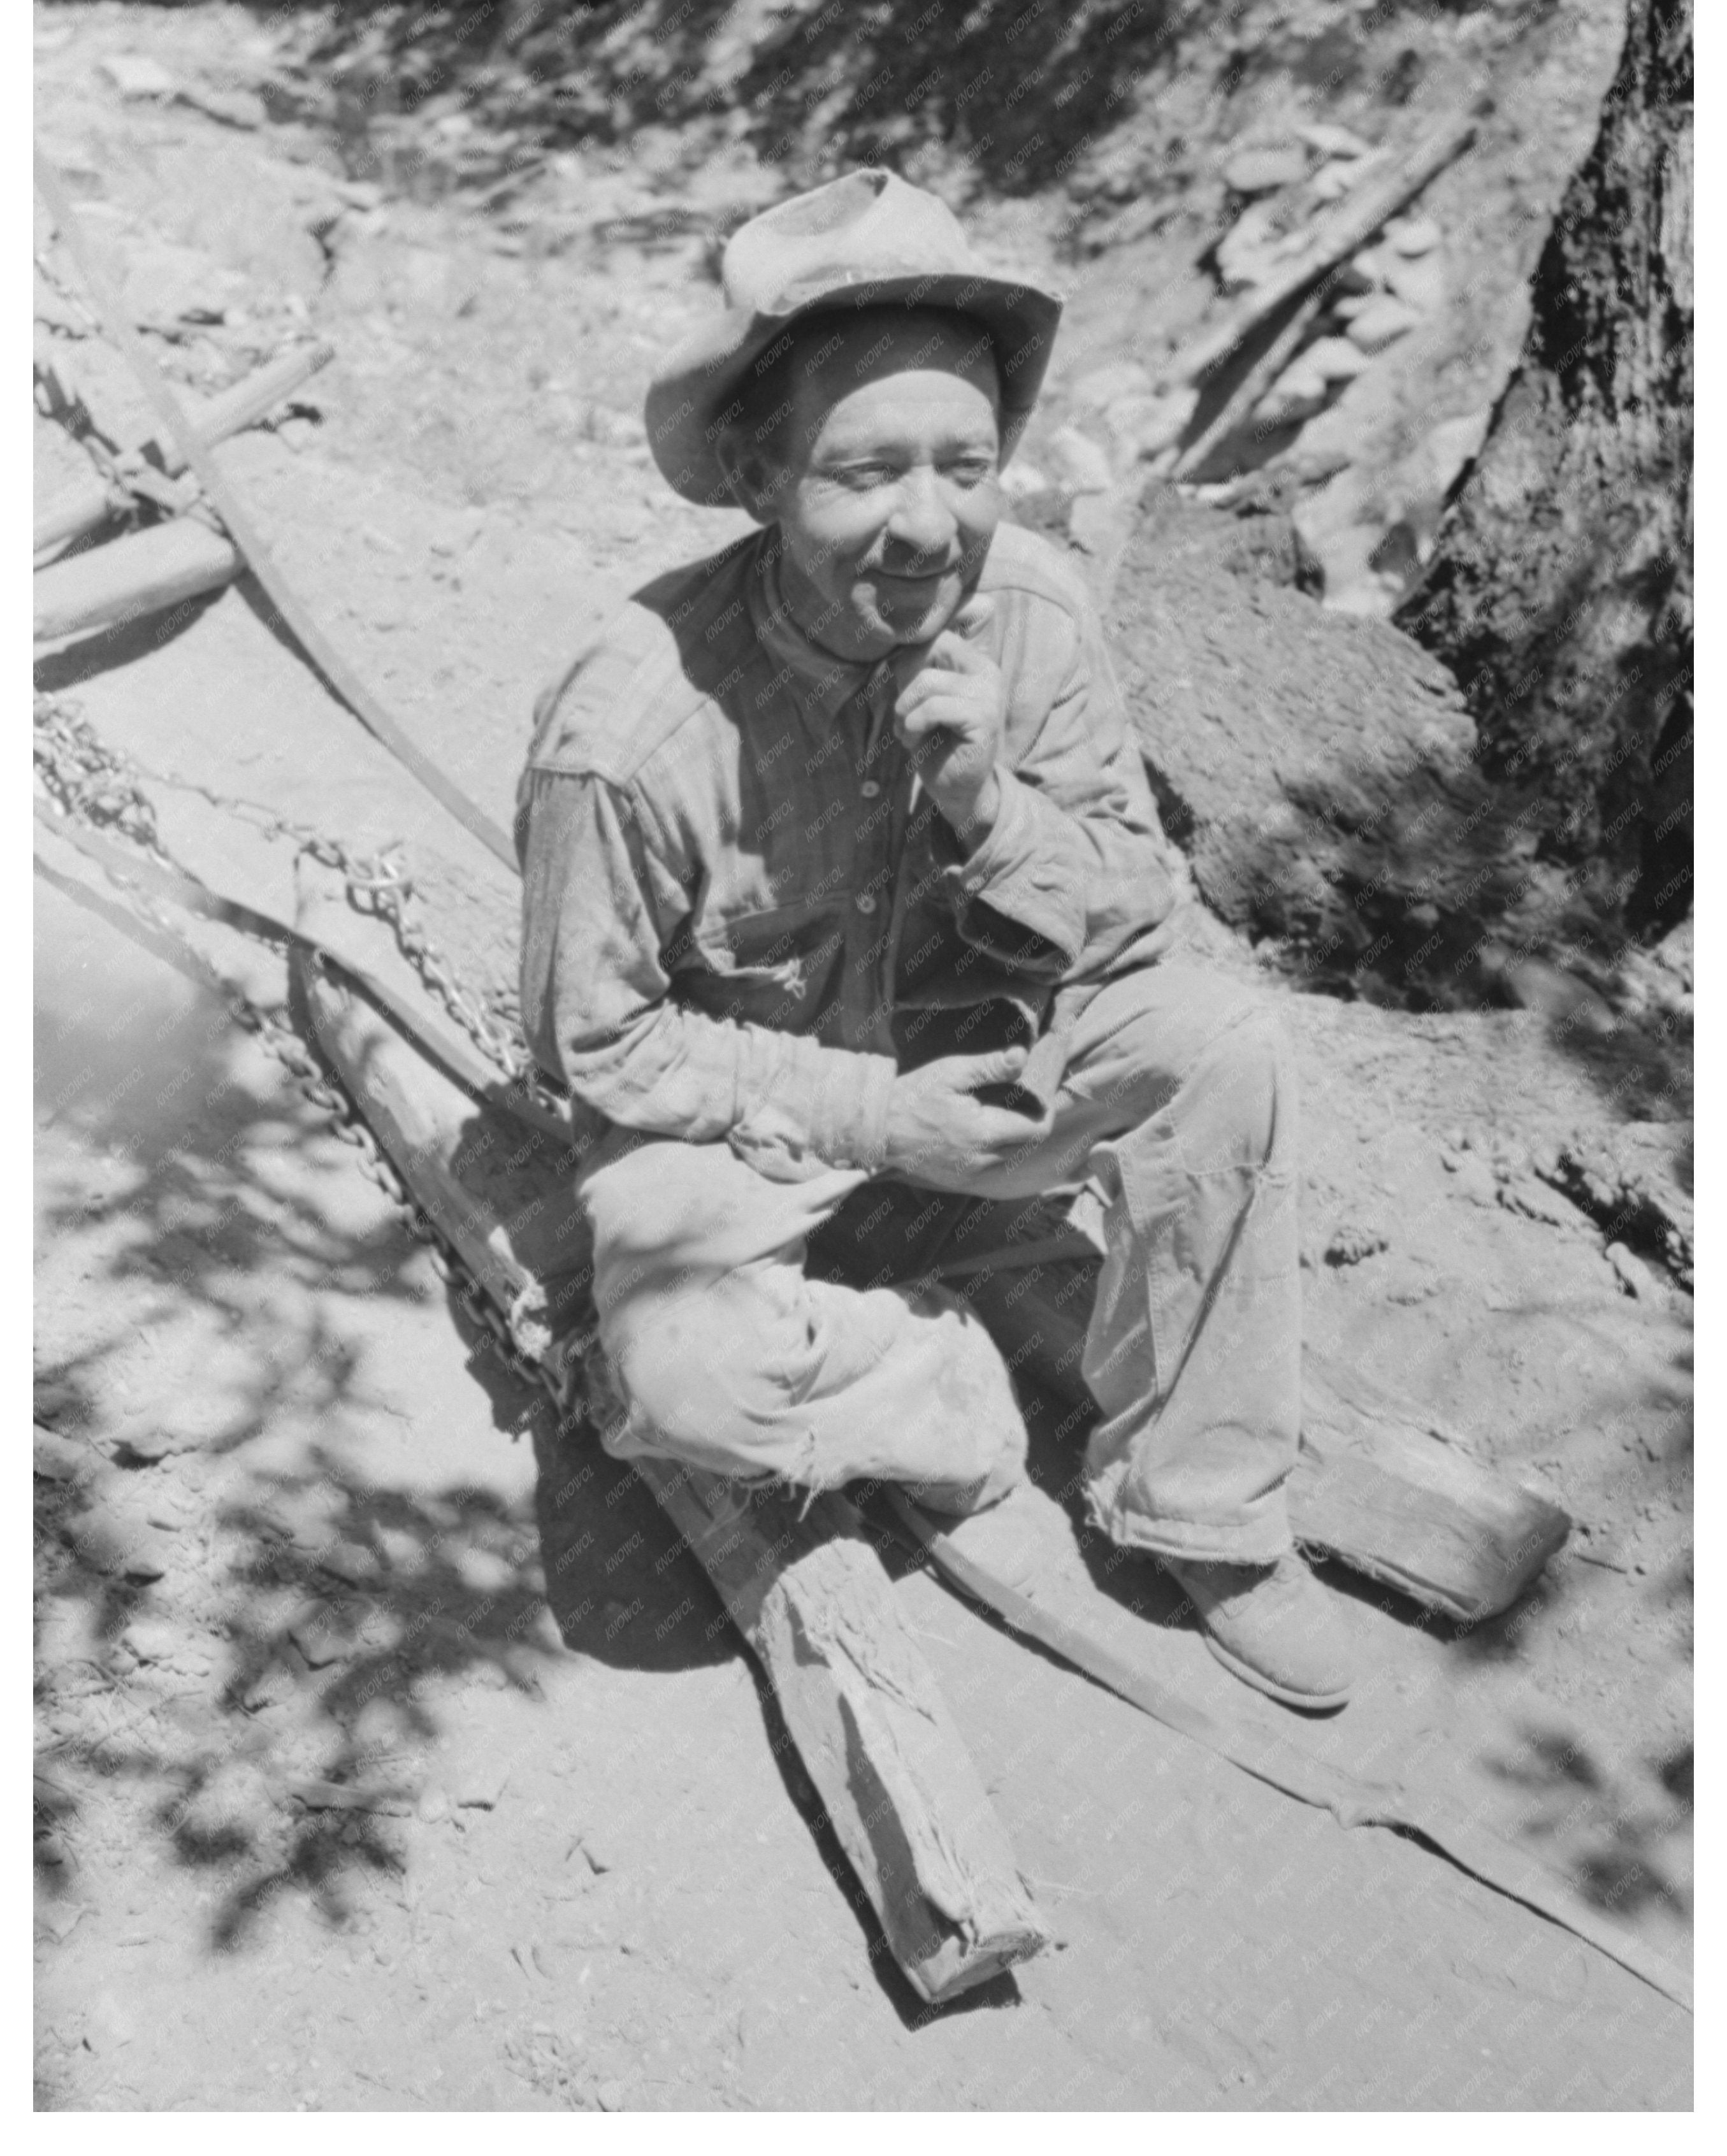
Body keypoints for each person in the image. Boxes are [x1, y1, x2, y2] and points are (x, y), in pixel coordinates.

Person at [517, 168, 1352, 1711]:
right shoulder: (631, 728)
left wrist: (985, 804)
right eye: (862, 473)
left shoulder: (1029, 615)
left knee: (1223, 1046)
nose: (924, 526)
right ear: (763, 475)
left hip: (982, 1085)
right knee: (687, 1379)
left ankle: (1204, 1513)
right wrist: (869, 1115)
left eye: (964, 466)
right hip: (766, 1135)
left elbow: (1133, 907)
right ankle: (954, 1389)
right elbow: (597, 1042)